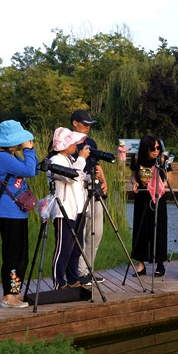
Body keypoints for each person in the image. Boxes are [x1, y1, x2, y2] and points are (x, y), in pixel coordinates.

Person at [0, 120, 39, 308]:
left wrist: (28, 152)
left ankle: (15, 293)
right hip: (8, 213)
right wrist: (29, 150)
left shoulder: (12, 156)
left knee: (21, 255)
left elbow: (30, 168)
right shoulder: (2, 158)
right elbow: (30, 171)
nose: (24, 142)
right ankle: (8, 296)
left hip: (18, 213)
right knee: (12, 255)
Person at [69, 110, 109, 285]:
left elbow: (96, 164)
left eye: (90, 125)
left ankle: (88, 269)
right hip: (78, 191)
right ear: (75, 123)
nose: (87, 128)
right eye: (85, 124)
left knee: (97, 230)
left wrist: (103, 180)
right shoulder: (67, 142)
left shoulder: (91, 142)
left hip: (94, 188)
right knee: (82, 230)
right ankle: (78, 272)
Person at [47, 127, 89, 289]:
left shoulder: (71, 159)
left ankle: (72, 279)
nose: (75, 146)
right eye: (72, 142)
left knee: (77, 247)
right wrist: (82, 159)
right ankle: (59, 282)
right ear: (63, 145)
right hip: (64, 210)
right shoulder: (55, 161)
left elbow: (81, 178)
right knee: (63, 248)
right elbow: (72, 177)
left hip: (79, 209)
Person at [129, 135, 168, 277]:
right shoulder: (137, 158)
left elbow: (168, 177)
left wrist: (163, 185)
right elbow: (133, 175)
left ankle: (160, 263)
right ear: (146, 148)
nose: (156, 151)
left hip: (158, 197)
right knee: (141, 227)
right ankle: (140, 263)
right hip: (142, 195)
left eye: (158, 148)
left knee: (158, 227)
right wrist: (134, 182)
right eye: (153, 148)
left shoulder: (161, 159)